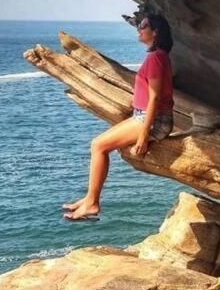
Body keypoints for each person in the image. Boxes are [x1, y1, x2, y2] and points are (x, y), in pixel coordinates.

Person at [62, 13, 175, 220]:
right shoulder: (155, 56)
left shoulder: (157, 57)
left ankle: (93, 203)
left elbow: (155, 98)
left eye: (143, 26)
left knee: (98, 146)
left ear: (155, 32)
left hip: (153, 121)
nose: (139, 29)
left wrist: (143, 135)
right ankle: (89, 198)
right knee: (97, 143)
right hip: (141, 116)